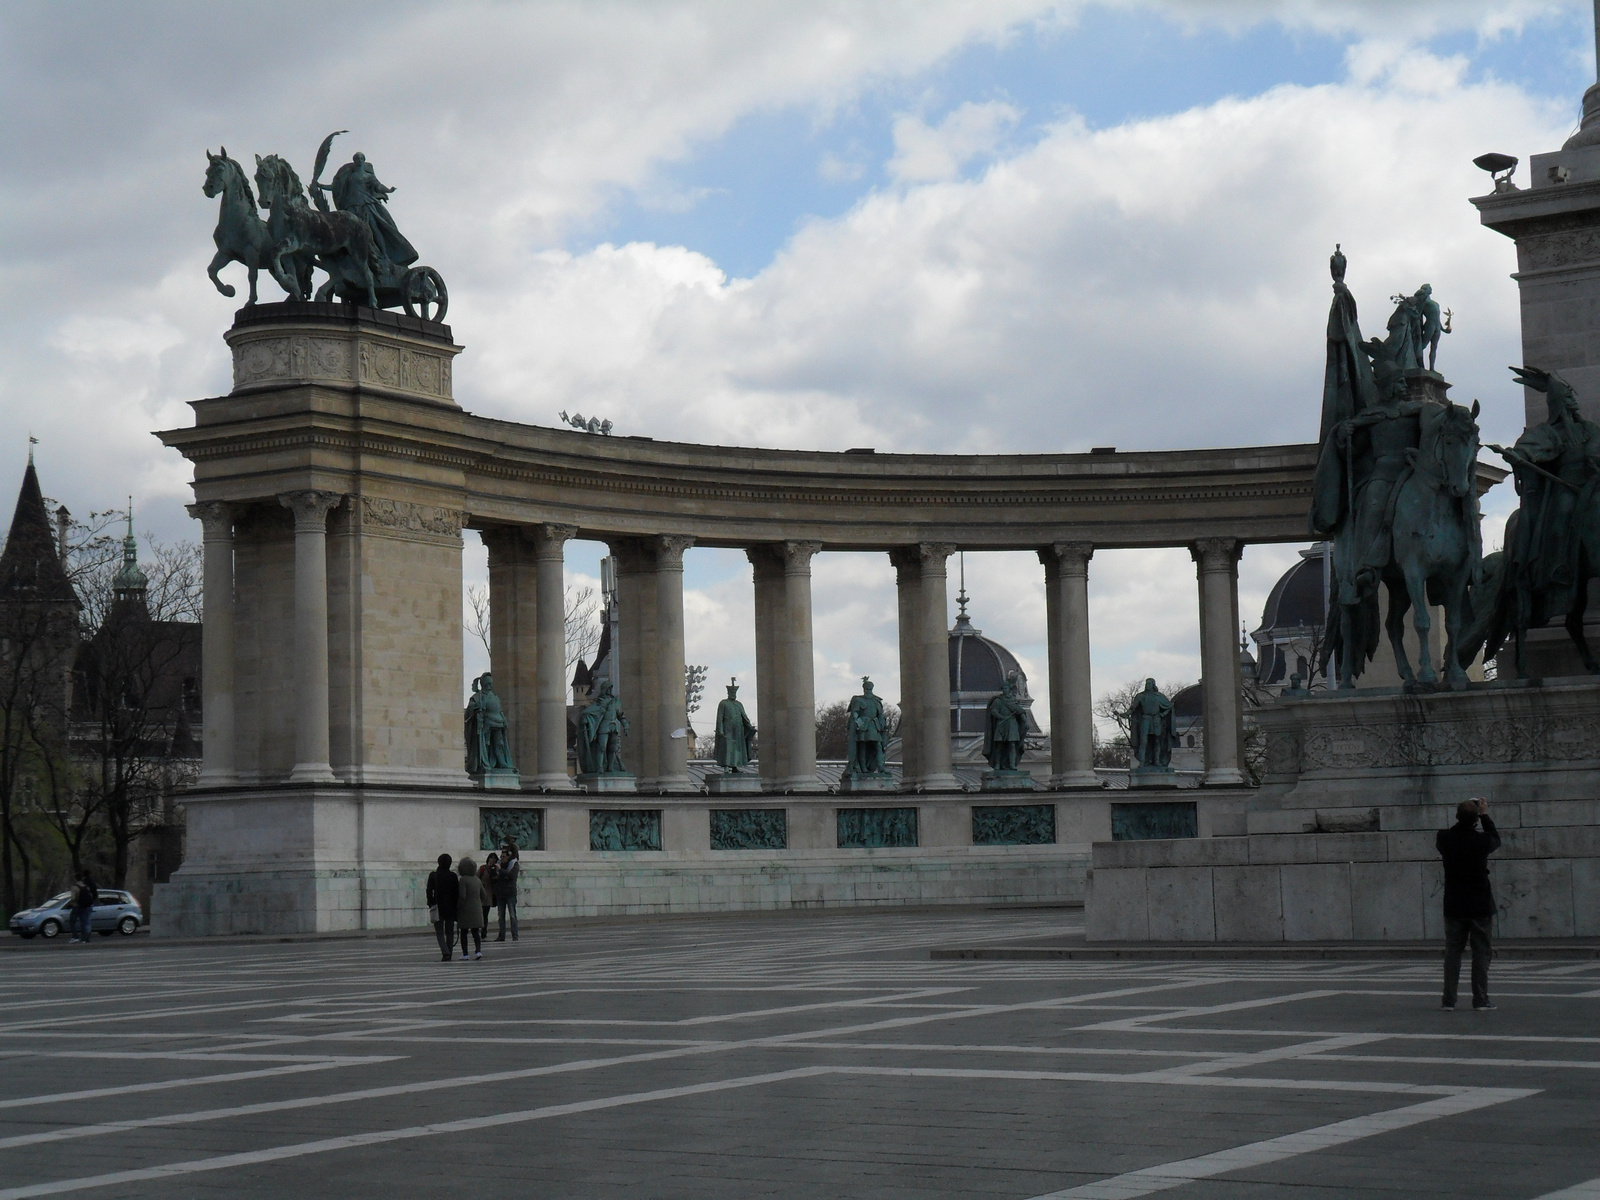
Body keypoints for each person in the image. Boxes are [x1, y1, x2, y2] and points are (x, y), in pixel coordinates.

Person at [1437, 797, 1501, 1011]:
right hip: (1479, 903)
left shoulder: (1444, 839)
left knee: (1452, 953)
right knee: (1481, 952)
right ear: (1475, 820)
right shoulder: (1481, 841)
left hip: (1454, 904)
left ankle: (1449, 1000)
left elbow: (1455, 831)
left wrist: (1470, 814)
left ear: (1456, 816)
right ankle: (1480, 998)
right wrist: (1484, 814)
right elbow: (1495, 838)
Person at [426, 853, 458, 961]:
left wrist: (431, 903)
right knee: (450, 932)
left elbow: (429, 891)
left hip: (437, 907)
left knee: (439, 932)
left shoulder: (433, 875)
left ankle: (445, 952)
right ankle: (449, 952)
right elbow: (456, 893)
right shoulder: (453, 876)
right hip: (450, 907)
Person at [456, 857, 487, 961]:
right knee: (475, 932)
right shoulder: (477, 880)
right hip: (477, 909)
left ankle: (465, 953)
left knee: (464, 932)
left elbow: (462, 896)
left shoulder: (463, 880)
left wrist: (458, 906)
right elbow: (484, 895)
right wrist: (478, 903)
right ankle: (478, 951)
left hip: (465, 910)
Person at [496, 841, 519, 942]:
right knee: (501, 916)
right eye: (501, 856)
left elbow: (511, 876)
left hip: (510, 893)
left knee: (512, 915)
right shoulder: (499, 865)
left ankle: (515, 935)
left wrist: (500, 870)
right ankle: (501, 936)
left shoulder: (514, 864)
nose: (501, 858)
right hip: (501, 893)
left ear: (508, 856)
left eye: (503, 856)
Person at [69, 870, 96, 944]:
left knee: (72, 921)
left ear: (75, 879)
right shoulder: (85, 886)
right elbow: (90, 895)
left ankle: (75, 936)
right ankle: (84, 938)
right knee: (84, 922)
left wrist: (73, 902)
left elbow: (73, 898)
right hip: (85, 906)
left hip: (76, 906)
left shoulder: (74, 887)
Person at [479, 852, 499, 934]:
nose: (493, 859)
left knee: (485, 915)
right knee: (481, 914)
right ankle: (479, 930)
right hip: (481, 894)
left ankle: (484, 932)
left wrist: (494, 871)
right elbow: (477, 878)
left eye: (494, 858)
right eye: (491, 857)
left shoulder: (497, 869)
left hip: (490, 895)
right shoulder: (483, 868)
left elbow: (497, 879)